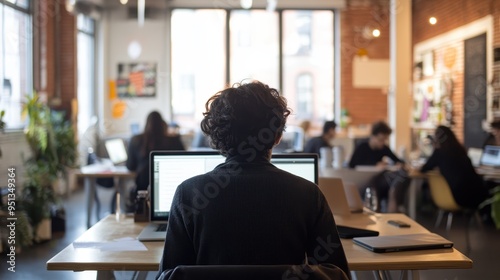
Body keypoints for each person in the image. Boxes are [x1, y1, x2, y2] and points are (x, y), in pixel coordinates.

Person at [156, 81, 350, 279]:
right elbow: (337, 274)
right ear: (277, 137)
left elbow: (169, 275)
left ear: (218, 139)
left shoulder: (188, 194)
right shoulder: (309, 195)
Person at [420, 126, 489, 208]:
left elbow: (424, 169)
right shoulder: (460, 150)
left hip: (455, 196)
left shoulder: (439, 153)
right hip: (475, 193)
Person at [348, 121, 409, 213]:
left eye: (385, 139)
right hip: (362, 181)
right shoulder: (362, 147)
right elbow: (351, 164)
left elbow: (398, 160)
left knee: (399, 176)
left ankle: (392, 203)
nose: (382, 142)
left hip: (378, 181)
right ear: (373, 136)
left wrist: (397, 164)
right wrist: (375, 165)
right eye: (381, 139)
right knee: (374, 186)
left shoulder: (384, 148)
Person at [126, 111, 185, 194]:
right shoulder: (174, 141)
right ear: (162, 124)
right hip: (170, 187)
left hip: (143, 190)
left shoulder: (136, 140)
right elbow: (183, 163)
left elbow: (130, 166)